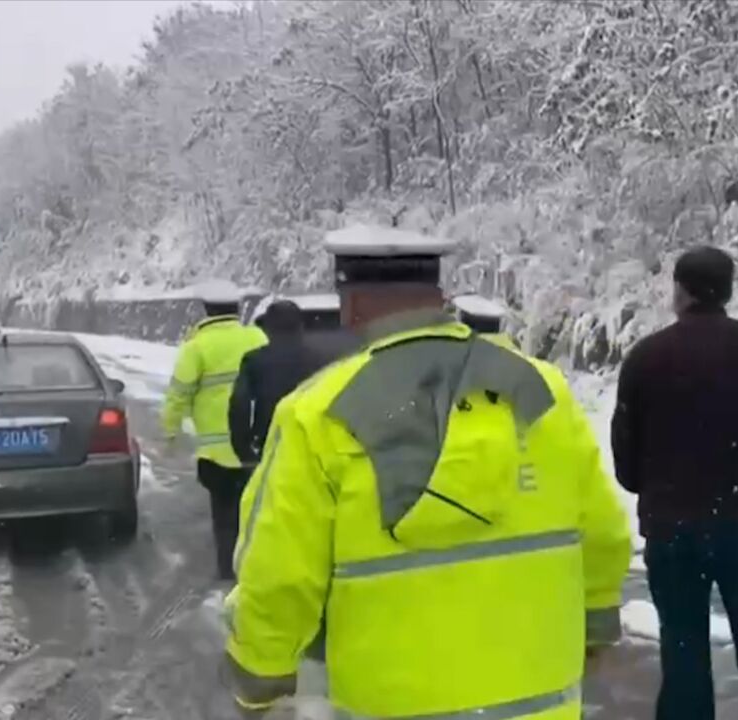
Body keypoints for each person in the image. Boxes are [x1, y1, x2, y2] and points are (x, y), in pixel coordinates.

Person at [223, 224, 632, 718]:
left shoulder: (318, 413)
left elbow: (278, 571)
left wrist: (261, 673)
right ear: (442, 297)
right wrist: (597, 620)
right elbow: (604, 531)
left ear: (350, 305)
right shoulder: (541, 391)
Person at [611, 245, 738, 720]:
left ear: (680, 291)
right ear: (726, 291)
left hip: (671, 529)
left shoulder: (645, 358)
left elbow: (625, 459)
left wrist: (655, 485)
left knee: (683, 651)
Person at [161, 285, 267, 581]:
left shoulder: (195, 348)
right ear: (238, 308)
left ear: (206, 311)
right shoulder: (257, 337)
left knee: (224, 516)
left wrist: (170, 431)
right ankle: (257, 567)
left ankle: (228, 569)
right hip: (254, 448)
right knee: (256, 512)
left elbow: (177, 395)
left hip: (215, 454)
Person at [228, 300, 329, 467]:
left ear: (269, 330)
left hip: (269, 444)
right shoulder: (322, 360)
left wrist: (244, 450)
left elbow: (240, 405)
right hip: (313, 444)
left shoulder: (254, 360)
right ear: (301, 328)